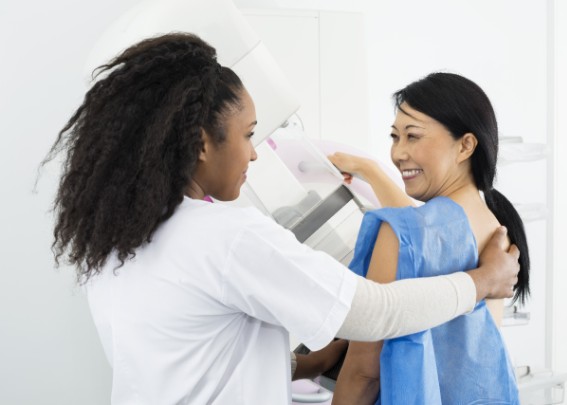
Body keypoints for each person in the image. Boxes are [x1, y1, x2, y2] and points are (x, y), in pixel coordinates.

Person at [43, 34, 520, 404]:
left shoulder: (114, 241)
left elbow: (190, 356)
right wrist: (483, 281)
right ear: (201, 142)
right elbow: (377, 312)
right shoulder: (224, 236)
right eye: (248, 134)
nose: (253, 153)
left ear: (466, 144)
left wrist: (306, 363)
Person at [329, 72, 529, 405]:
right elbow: (425, 233)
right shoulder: (496, 230)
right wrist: (371, 170)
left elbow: (364, 374)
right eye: (395, 137)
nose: (398, 153)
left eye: (412, 136)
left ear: (465, 145)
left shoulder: (400, 232)